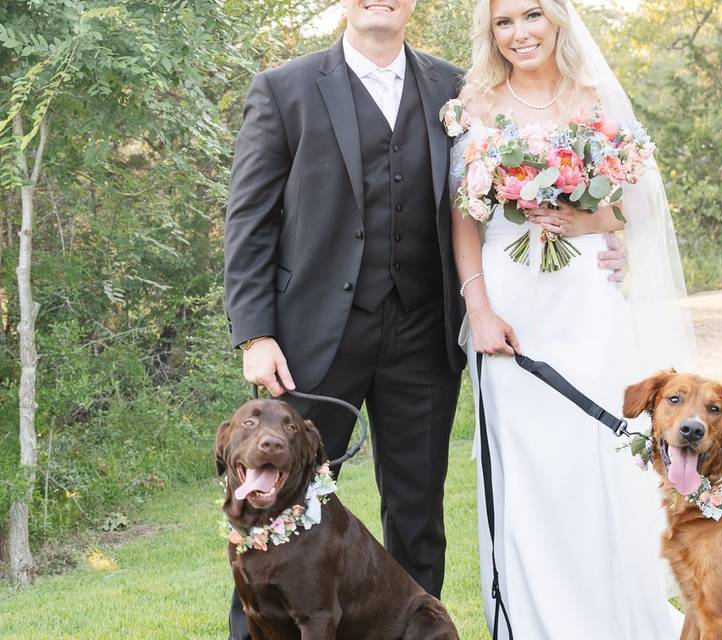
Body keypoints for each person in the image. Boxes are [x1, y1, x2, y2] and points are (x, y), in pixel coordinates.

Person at [222, 0, 626, 637]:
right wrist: (255, 332)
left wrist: (596, 228)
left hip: (422, 335)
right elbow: (250, 217)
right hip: (311, 340)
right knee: (272, 509)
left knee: (416, 512)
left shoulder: (455, 89)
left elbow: (489, 199)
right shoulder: (284, 90)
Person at [450, 0, 697, 637]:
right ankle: (535, 622)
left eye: (531, 15)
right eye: (503, 22)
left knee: (599, 451)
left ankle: (614, 617)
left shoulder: (594, 100)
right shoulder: (476, 105)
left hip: (586, 296)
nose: (519, 33)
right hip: (510, 300)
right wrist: (478, 309)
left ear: (557, 19)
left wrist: (586, 222)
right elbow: (464, 221)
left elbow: (633, 207)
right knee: (523, 462)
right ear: (491, 33)